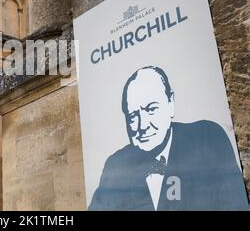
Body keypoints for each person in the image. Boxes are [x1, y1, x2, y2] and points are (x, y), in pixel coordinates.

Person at [88, 66, 248, 210]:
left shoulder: (208, 139)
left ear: (170, 103)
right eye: (133, 116)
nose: (142, 126)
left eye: (151, 109)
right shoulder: (115, 165)